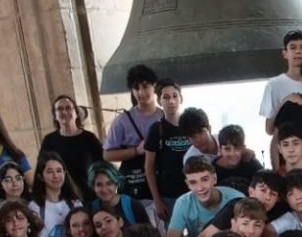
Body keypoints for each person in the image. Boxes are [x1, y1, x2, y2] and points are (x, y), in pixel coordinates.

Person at [166, 158, 244, 237]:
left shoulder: (236, 199)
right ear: (187, 184)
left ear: (214, 178)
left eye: (205, 179)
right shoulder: (183, 203)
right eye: (193, 182)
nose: (200, 187)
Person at [104, 64, 163, 211]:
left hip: (163, 181)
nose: (141, 92)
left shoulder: (164, 116)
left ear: (154, 86)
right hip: (135, 184)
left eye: (145, 86)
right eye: (136, 88)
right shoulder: (122, 121)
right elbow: (107, 155)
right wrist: (136, 151)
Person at [189, 171, 287, 237]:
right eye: (263, 190)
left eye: (273, 194)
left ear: (278, 199)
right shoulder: (236, 207)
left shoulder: (277, 210)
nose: (267, 197)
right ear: (251, 191)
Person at [38, 94, 103, 198]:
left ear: (76, 113)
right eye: (59, 109)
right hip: (61, 197)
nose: (64, 112)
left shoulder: (89, 138)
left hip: (89, 196)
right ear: (55, 116)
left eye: (68, 108)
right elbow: (42, 168)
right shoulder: (49, 140)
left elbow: (103, 166)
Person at [144, 82, 192, 221]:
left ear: (181, 99)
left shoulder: (190, 125)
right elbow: (149, 166)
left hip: (194, 192)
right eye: (166, 97)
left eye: (175, 96)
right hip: (169, 196)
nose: (171, 101)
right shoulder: (156, 129)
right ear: (159, 101)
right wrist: (157, 200)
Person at [262, 29, 302, 162]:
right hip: (287, 158)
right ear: (285, 53)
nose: (298, 52)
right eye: (293, 48)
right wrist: (285, 101)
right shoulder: (274, 85)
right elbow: (269, 129)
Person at [185, 122, 263, 194]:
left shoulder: (252, 165)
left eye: (237, 148)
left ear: (243, 148)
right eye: (227, 149)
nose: (232, 153)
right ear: (220, 149)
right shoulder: (211, 170)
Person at [28, 152, 83, 237]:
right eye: (50, 172)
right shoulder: (34, 207)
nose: (56, 176)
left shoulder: (74, 203)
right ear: (40, 177)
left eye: (59, 171)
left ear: (64, 173)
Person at [87, 161, 154, 228]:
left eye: (109, 183)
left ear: (116, 183)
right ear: (93, 187)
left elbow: (148, 233)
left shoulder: (133, 206)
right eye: (99, 185)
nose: (104, 189)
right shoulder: (91, 209)